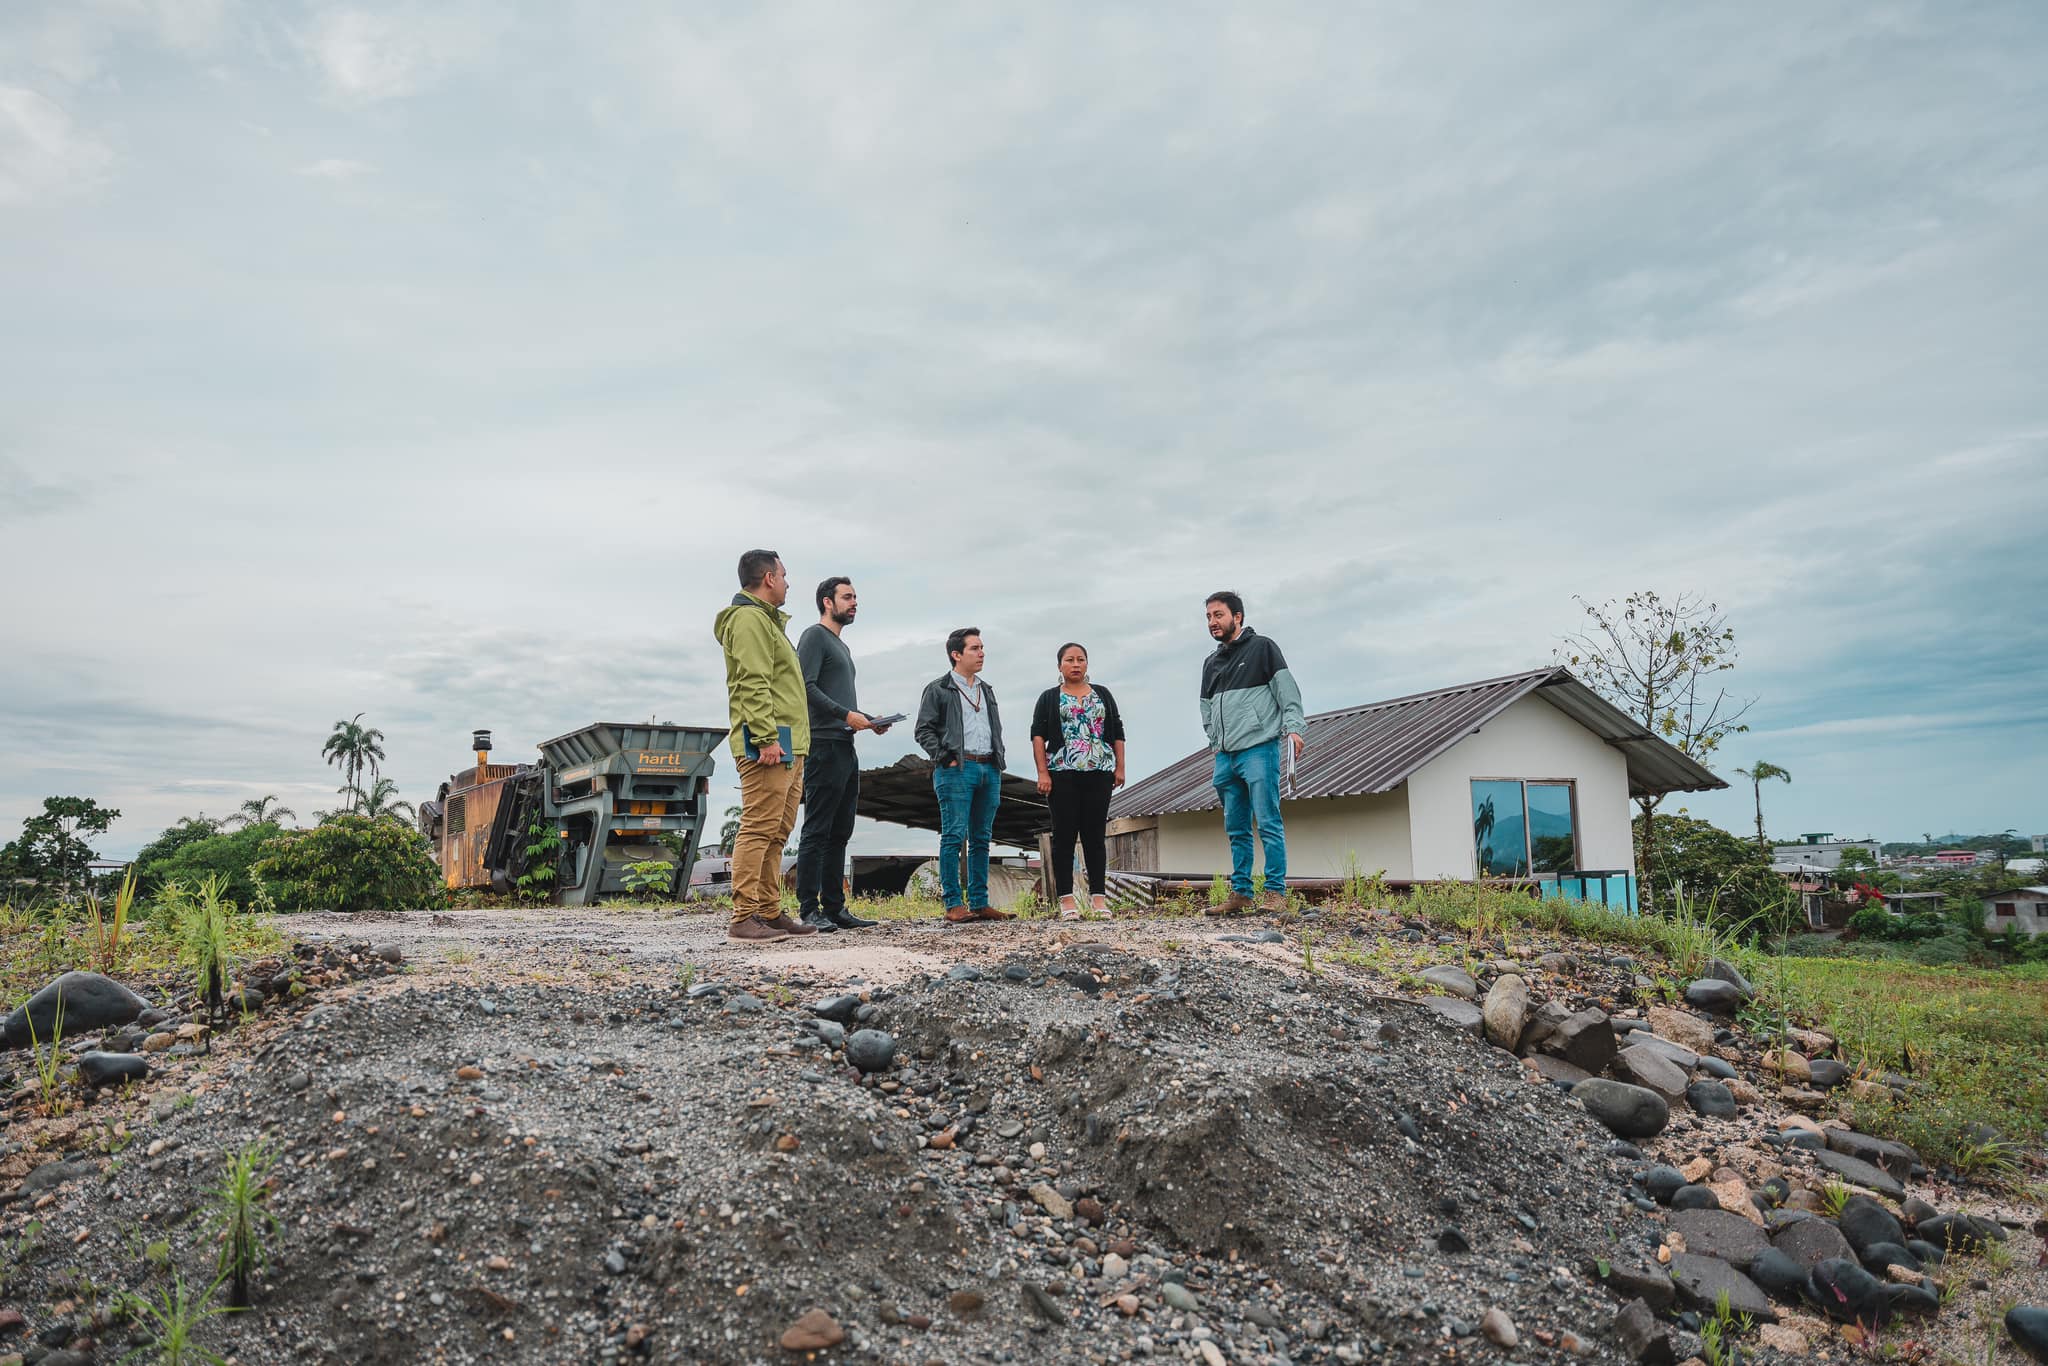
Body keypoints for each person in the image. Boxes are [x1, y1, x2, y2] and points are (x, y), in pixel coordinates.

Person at [712, 549, 819, 944]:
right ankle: (743, 917)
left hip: (789, 743)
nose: (789, 582)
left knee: (777, 831)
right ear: (769, 579)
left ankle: (769, 912)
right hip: (768, 743)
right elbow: (751, 682)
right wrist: (766, 737)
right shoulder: (749, 620)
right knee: (758, 828)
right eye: (785, 575)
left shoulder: (769, 623)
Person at [793, 575, 892, 932]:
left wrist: (865, 718)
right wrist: (844, 715)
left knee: (841, 831)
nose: (854, 603)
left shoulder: (842, 647)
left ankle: (835, 907)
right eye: (847, 597)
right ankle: (808, 909)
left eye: (855, 598)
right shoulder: (814, 637)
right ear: (826, 602)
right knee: (817, 830)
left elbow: (839, 698)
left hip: (846, 743)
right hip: (822, 744)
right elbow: (805, 688)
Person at [1199, 591, 1305, 915]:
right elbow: (1205, 707)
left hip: (1259, 749)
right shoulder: (1211, 662)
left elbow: (1287, 691)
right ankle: (1241, 893)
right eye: (1208, 617)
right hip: (1225, 756)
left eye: (1218, 615)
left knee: (1268, 821)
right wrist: (1215, 739)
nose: (1212, 622)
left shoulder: (1263, 649)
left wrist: (1294, 727)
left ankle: (1275, 893)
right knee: (1236, 828)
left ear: (1238, 617)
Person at [915, 627, 1012, 923]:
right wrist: (945, 756)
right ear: (956, 655)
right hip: (957, 769)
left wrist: (998, 759)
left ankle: (980, 903)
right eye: (974, 648)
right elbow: (923, 730)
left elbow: (994, 728)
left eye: (982, 647)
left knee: (982, 838)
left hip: (988, 767)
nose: (981, 653)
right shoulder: (939, 689)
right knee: (954, 836)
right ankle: (954, 905)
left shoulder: (987, 690)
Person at [1031, 643, 1127, 920]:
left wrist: (1120, 766)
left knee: (1095, 836)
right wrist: (1042, 772)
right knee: (1064, 836)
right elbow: (1038, 736)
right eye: (1069, 660)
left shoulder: (1103, 694)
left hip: (1100, 770)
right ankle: (1066, 899)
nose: (1076, 664)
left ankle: (1099, 897)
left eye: (1080, 659)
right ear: (1060, 666)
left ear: (1087, 664)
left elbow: (1117, 731)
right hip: (1062, 772)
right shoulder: (1049, 697)